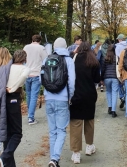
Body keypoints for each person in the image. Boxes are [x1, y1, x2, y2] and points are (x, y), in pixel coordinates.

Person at [41, 37, 76, 167]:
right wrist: (70, 96)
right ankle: (54, 159)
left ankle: (53, 159)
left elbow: (42, 80)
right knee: (61, 130)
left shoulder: (47, 59)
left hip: (49, 98)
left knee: (52, 131)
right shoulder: (69, 61)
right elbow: (71, 82)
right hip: (62, 98)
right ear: (66, 46)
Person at [0, 49, 30, 167]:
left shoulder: (7, 67)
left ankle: (9, 164)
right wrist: (13, 87)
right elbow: (25, 75)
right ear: (24, 59)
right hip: (14, 98)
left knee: (8, 133)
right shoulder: (24, 69)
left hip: (4, 99)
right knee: (17, 133)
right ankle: (4, 157)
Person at [70, 41, 101, 164]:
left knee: (76, 123)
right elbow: (97, 79)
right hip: (89, 95)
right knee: (89, 121)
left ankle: (76, 153)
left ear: (79, 48)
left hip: (76, 95)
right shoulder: (94, 61)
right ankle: (89, 146)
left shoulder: (73, 59)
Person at [23, 34, 48, 125]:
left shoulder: (26, 47)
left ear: (32, 39)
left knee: (28, 95)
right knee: (34, 96)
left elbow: (23, 59)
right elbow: (46, 60)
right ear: (40, 40)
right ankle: (31, 117)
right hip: (36, 74)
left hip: (27, 74)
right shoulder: (41, 48)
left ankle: (30, 115)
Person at [101, 44, 119, 118]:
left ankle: (109, 107)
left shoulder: (105, 58)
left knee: (108, 92)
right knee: (114, 93)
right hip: (115, 77)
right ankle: (114, 111)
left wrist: (101, 79)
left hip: (107, 78)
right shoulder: (117, 58)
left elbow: (103, 69)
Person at [115, 34, 127, 109]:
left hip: (120, 66)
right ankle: (125, 98)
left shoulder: (117, 46)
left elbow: (117, 56)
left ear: (119, 39)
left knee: (120, 83)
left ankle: (122, 97)